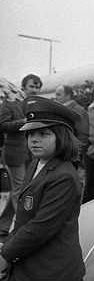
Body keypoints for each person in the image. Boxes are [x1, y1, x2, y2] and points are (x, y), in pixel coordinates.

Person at [0, 95, 86, 281]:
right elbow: (22, 218)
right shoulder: (38, 166)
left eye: (43, 134)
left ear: (60, 137)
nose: (34, 140)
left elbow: (41, 228)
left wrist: (4, 255)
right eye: (31, 134)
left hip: (52, 278)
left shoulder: (63, 175)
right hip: (31, 273)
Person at [0, 74, 41, 239]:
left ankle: (4, 224)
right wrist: (24, 122)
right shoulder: (10, 104)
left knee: (20, 189)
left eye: (38, 87)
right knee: (20, 190)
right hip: (15, 153)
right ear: (23, 87)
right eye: (32, 86)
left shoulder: (35, 105)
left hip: (29, 152)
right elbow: (2, 126)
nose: (35, 90)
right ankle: (21, 228)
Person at [54, 85, 89, 150]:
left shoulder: (78, 110)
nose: (55, 97)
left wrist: (75, 153)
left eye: (58, 95)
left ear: (68, 96)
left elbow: (83, 136)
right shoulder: (61, 109)